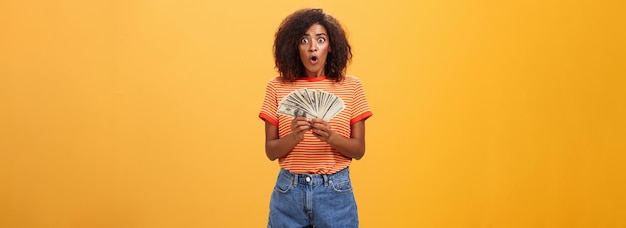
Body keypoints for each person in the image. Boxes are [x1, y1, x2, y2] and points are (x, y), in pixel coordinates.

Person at [259, 8, 372, 228]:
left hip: (336, 192)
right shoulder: (276, 87)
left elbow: (358, 150)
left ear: (330, 47)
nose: (313, 47)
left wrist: (331, 136)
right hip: (288, 193)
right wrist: (294, 136)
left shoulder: (352, 87)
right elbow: (271, 151)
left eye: (320, 39)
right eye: (304, 40)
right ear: (295, 46)